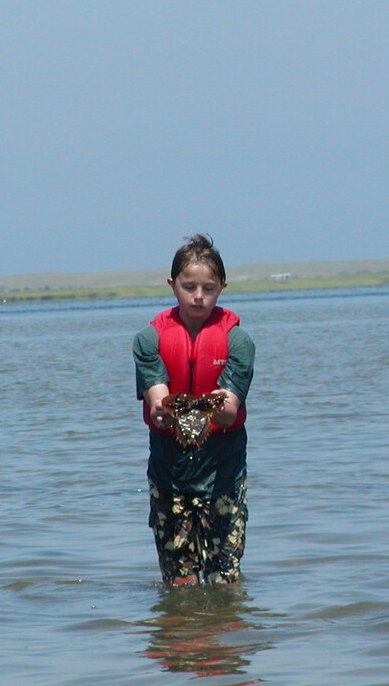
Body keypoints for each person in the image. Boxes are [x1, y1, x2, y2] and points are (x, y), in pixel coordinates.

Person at [133, 235, 255, 585]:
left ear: (222, 288)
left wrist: (210, 407)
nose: (199, 296)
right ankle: (184, 637)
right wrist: (163, 411)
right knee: (179, 578)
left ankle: (219, 629)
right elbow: (158, 399)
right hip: (169, 466)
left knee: (223, 576)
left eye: (208, 288)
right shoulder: (148, 340)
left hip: (223, 467)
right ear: (173, 285)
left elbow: (230, 411)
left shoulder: (238, 342)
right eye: (189, 287)